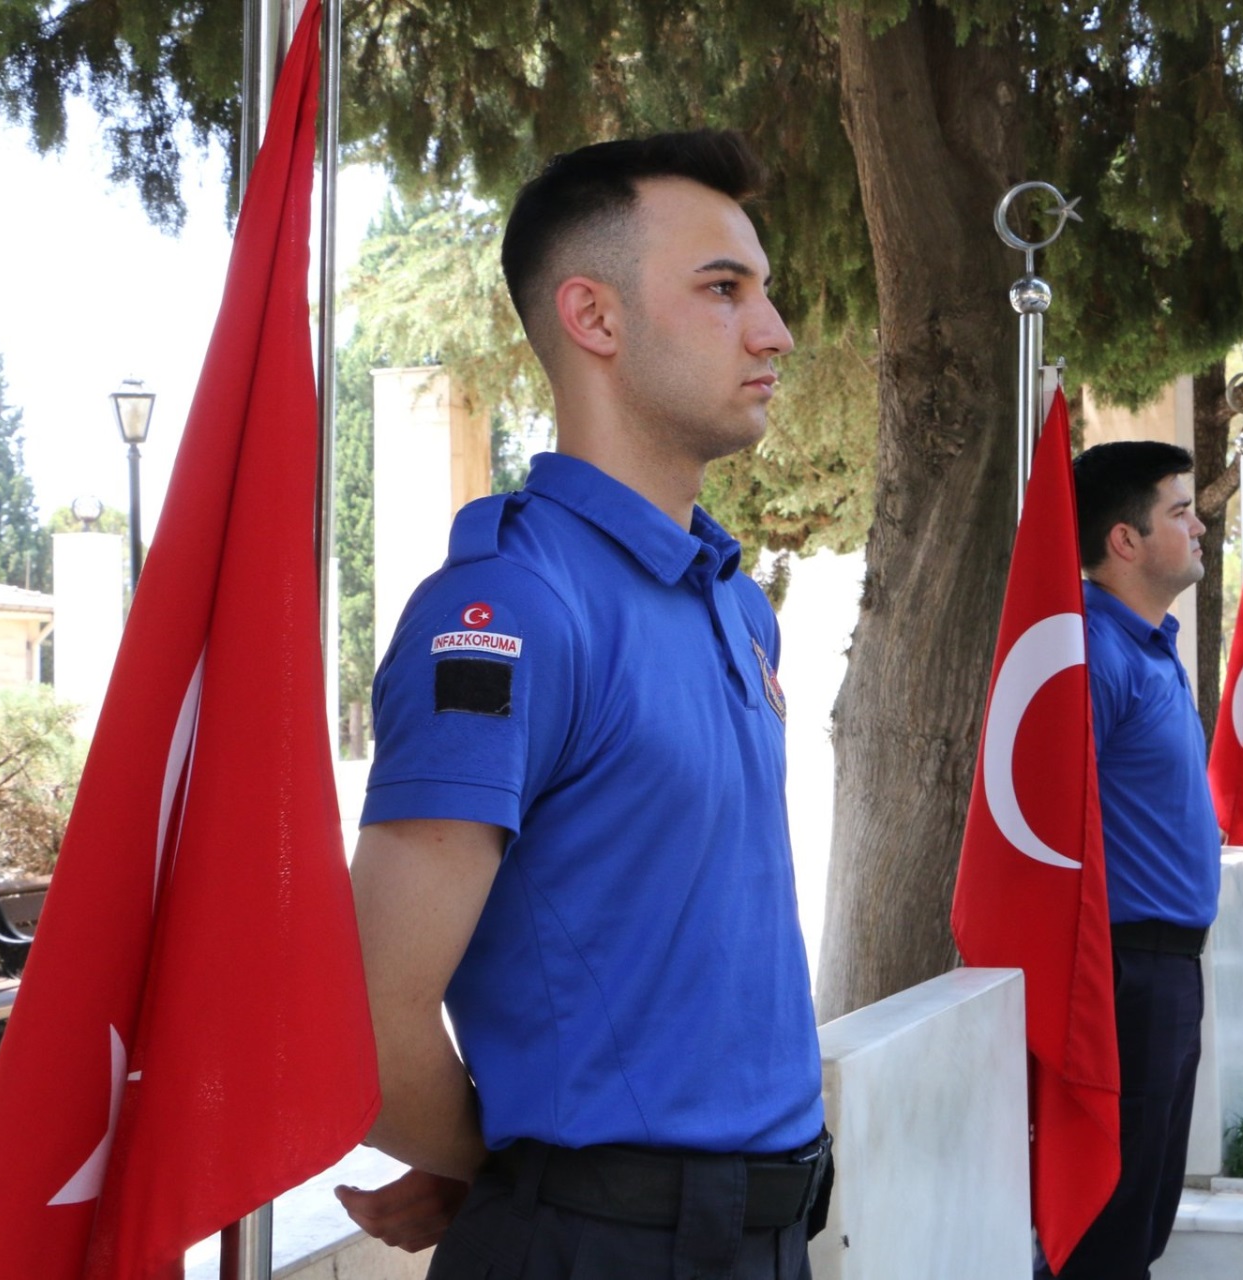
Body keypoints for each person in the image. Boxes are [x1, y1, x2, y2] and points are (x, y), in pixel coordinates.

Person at [333, 131, 829, 1280]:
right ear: (594, 319)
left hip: (766, 1231)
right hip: (600, 1245)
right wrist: (509, 1162)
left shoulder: (738, 605)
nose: (776, 331)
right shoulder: (512, 607)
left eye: (766, 291)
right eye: (724, 289)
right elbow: (367, 1008)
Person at [1042, 441, 1225, 1280]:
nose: (1199, 525)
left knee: (1142, 1216)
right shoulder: (1093, 654)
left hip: (1166, 968)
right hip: (1123, 972)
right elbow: (1048, 824)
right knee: (1108, 1229)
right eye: (1180, 511)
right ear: (1125, 539)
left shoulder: (1150, 646)